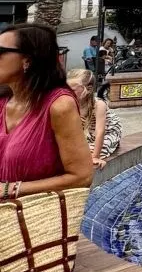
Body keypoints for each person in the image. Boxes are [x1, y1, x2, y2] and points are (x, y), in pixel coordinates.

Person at [0, 24, 94, 200]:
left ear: (27, 60)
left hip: (30, 220)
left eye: (0, 52)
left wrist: (11, 189)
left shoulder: (59, 106)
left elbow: (82, 176)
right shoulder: (2, 101)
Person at [66, 68, 122, 168]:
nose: (67, 92)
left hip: (108, 131)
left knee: (86, 154)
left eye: (72, 90)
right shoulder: (69, 103)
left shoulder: (98, 105)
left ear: (89, 89)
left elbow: (100, 132)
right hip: (87, 132)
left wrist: (95, 157)